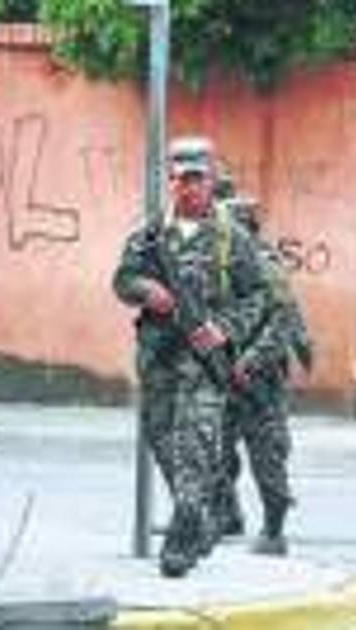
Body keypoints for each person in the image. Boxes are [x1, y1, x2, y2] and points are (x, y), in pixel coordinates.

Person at [112, 136, 275, 578]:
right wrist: (146, 290)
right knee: (162, 437)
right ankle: (207, 507)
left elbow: (259, 295)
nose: (188, 187)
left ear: (211, 180)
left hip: (204, 361)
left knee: (196, 441)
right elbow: (122, 279)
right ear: (171, 181)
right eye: (181, 179)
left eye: (197, 178)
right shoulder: (149, 234)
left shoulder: (231, 237)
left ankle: (183, 534)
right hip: (158, 357)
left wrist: (225, 328)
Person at [214, 195, 314, 557]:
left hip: (259, 380)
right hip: (221, 372)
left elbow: (283, 320)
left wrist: (252, 361)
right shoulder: (217, 264)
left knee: (266, 454)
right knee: (215, 449)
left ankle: (274, 530)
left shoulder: (265, 265)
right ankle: (225, 514)